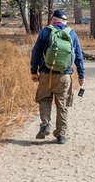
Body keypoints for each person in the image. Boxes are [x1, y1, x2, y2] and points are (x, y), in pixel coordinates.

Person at [30, 9, 85, 144]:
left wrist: (33, 71)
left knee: (44, 99)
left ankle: (45, 125)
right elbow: (78, 56)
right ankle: (61, 134)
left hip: (45, 74)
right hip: (64, 76)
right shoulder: (71, 34)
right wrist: (81, 75)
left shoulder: (45, 31)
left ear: (53, 20)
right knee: (62, 105)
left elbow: (36, 52)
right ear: (64, 22)